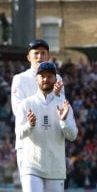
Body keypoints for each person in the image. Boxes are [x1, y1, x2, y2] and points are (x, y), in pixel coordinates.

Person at [14, 61, 78, 192]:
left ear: (55, 79)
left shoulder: (64, 104)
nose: (45, 79)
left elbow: (73, 136)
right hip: (31, 166)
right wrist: (30, 126)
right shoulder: (26, 104)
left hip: (55, 169)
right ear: (36, 79)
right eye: (42, 76)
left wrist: (64, 121)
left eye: (49, 76)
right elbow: (19, 133)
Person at [11, 39, 65, 180]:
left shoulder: (57, 78)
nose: (39, 57)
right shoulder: (20, 79)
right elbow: (18, 110)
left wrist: (57, 95)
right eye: (36, 53)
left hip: (51, 141)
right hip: (28, 141)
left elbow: (62, 109)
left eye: (43, 53)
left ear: (48, 56)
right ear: (29, 57)